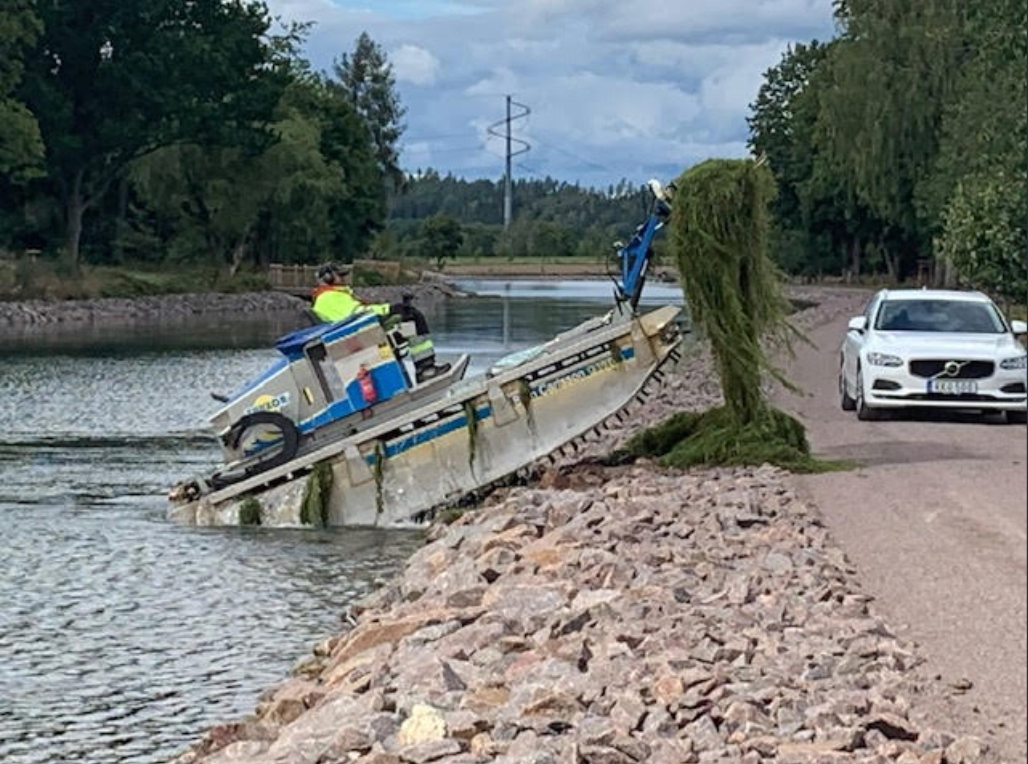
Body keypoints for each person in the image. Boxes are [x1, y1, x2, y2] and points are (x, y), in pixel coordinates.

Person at [311, 264, 450, 382]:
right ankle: (425, 369)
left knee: (409, 320)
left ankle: (421, 369)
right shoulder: (328, 298)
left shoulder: (332, 295)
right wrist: (388, 309)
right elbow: (358, 313)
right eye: (340, 275)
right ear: (328, 278)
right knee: (412, 318)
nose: (344, 278)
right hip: (362, 336)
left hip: (360, 333)